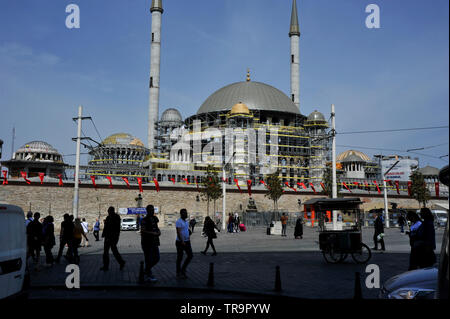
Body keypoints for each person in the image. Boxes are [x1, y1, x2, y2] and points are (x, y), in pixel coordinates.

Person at [100, 207, 125, 271]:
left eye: (109, 211)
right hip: (109, 236)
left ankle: (119, 262)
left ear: (112, 211)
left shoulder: (115, 217)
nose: (108, 212)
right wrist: (104, 234)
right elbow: (106, 227)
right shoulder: (109, 217)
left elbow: (113, 227)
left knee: (110, 251)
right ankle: (120, 262)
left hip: (112, 237)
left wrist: (109, 235)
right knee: (109, 251)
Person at [140, 205, 161, 282]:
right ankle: (148, 274)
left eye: (153, 210)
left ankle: (146, 270)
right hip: (146, 242)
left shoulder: (155, 218)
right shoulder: (144, 220)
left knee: (157, 258)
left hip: (155, 242)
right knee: (148, 259)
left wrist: (158, 231)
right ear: (147, 211)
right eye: (151, 210)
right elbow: (143, 231)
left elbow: (156, 227)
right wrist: (153, 233)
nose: (152, 212)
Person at [175, 208, 193, 279]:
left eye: (186, 213)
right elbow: (178, 232)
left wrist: (188, 234)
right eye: (184, 213)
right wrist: (182, 241)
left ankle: (183, 269)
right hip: (180, 242)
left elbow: (186, 230)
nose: (186, 214)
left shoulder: (186, 221)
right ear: (181, 214)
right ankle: (178, 272)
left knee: (190, 255)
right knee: (180, 257)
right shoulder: (178, 222)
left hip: (187, 241)